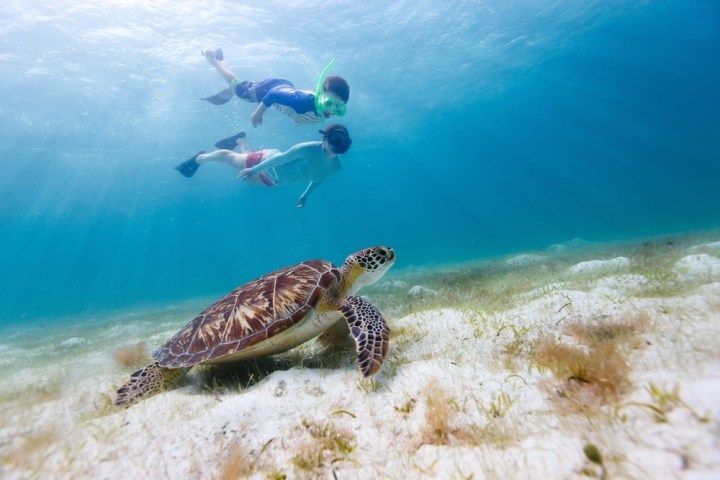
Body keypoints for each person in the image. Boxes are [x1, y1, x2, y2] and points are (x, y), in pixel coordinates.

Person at [175, 124, 352, 208]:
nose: (324, 143)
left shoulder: (335, 167)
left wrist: (305, 195)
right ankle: (200, 158)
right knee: (232, 159)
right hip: (265, 161)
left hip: (275, 180)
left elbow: (317, 179)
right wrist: (253, 169)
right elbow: (279, 159)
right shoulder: (307, 148)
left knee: (247, 180)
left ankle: (240, 139)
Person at [201, 49, 349, 126]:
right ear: (320, 94)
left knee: (251, 92)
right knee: (242, 92)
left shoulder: (322, 110)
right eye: (329, 104)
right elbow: (273, 95)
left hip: (286, 88)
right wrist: (258, 114)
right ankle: (212, 59)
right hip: (272, 89)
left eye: (339, 109)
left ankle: (245, 85)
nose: (332, 111)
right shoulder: (303, 101)